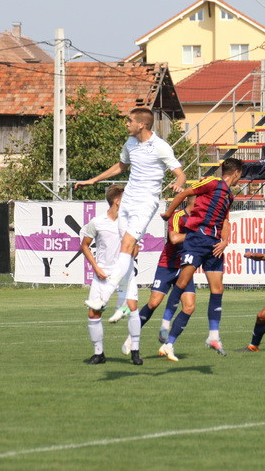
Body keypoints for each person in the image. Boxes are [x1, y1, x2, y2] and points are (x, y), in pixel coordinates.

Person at [75, 107, 187, 350]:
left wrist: (178, 184)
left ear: (142, 125)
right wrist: (93, 180)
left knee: (127, 246)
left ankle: (105, 296)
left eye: (129, 121)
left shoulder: (160, 147)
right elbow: (120, 166)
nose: (126, 124)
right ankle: (122, 305)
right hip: (128, 201)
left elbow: (180, 174)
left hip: (145, 202)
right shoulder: (130, 143)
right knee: (124, 250)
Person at [157, 158, 244, 362]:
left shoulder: (229, 195)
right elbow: (185, 193)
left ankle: (213, 336)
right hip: (197, 239)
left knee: (218, 289)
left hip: (214, 244)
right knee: (183, 281)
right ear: (236, 173)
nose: (240, 178)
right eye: (240, 175)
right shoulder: (212, 182)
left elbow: (225, 221)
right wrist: (168, 213)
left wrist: (225, 241)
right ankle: (165, 322)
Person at [120, 195, 196, 355]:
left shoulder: (201, 219)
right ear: (195, 201)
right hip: (167, 265)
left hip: (186, 267)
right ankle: (131, 337)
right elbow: (174, 238)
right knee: (154, 303)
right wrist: (197, 236)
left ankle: (168, 345)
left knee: (189, 307)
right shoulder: (178, 216)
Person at [82, 185, 143, 365]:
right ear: (117, 201)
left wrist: (134, 248)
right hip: (103, 274)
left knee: (132, 308)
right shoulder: (97, 222)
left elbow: (135, 250)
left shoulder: (131, 223)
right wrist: (96, 268)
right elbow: (84, 245)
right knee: (94, 312)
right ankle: (98, 353)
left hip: (125, 274)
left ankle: (135, 351)